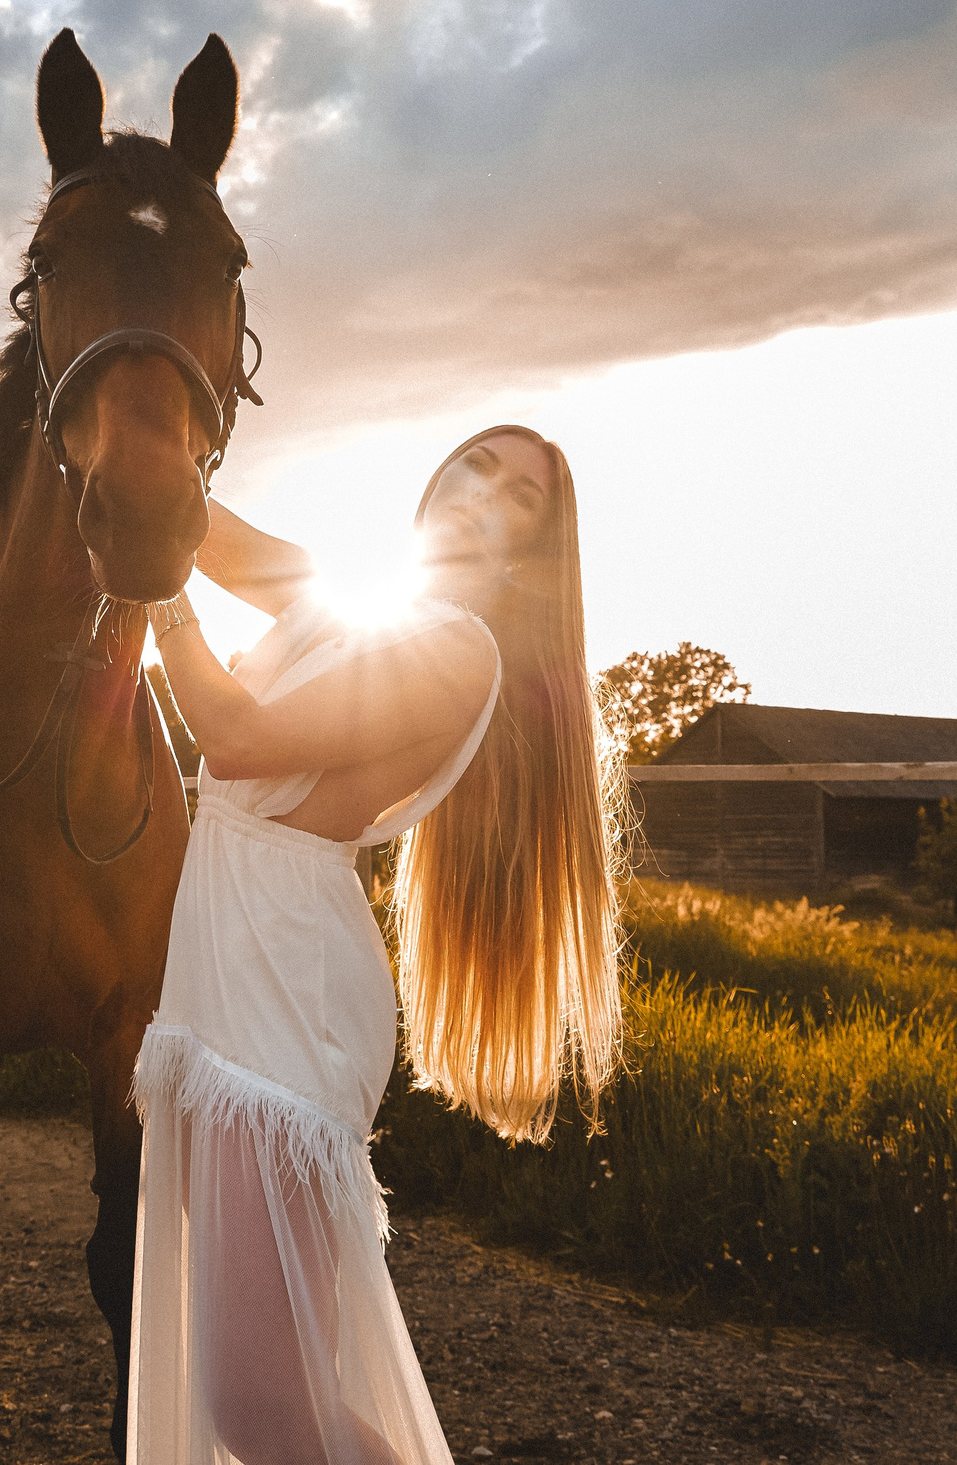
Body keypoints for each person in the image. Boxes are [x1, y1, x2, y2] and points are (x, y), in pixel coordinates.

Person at [130, 424, 624, 1465]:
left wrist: (157, 596)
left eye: (521, 497)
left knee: (258, 1407)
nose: (484, 493)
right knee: (271, 1382)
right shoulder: (343, 598)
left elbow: (240, 737)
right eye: (477, 464)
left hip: (286, 989)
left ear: (531, 551)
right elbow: (203, 526)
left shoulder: (455, 651)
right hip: (227, 971)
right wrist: (137, 433)